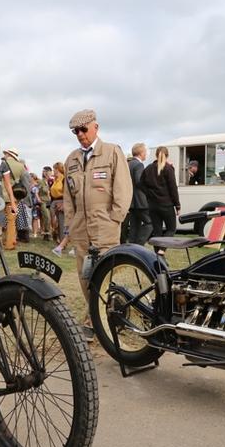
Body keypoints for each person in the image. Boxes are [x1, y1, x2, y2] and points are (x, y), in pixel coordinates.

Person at [63, 109, 133, 340]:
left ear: (96, 127)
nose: (80, 134)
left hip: (105, 226)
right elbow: (67, 197)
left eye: (84, 129)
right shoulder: (71, 159)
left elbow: (124, 189)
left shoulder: (112, 152)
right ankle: (95, 315)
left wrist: (115, 218)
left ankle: (102, 318)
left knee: (103, 275)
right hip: (81, 227)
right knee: (85, 276)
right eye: (76, 131)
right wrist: (72, 223)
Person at [141, 145, 180, 246]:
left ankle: (158, 254)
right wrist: (177, 205)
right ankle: (162, 250)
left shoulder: (148, 168)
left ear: (155, 155)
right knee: (171, 229)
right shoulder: (168, 169)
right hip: (166, 205)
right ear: (167, 155)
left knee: (157, 232)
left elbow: (141, 184)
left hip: (153, 205)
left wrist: (149, 194)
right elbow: (173, 188)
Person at [122, 142, 152, 245]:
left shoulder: (128, 164)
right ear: (141, 153)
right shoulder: (139, 165)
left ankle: (132, 246)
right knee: (149, 223)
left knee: (135, 226)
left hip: (131, 201)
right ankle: (139, 244)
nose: (146, 154)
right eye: (145, 152)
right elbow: (139, 181)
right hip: (140, 201)